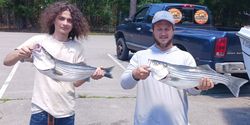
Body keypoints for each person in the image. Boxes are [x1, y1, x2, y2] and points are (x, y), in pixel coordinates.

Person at [3, 2, 104, 125]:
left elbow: (76, 83)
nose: (65, 23)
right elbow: (7, 61)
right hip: (40, 111)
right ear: (53, 20)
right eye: (61, 18)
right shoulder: (38, 41)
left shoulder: (78, 48)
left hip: (66, 111)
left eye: (69, 20)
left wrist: (91, 75)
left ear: (74, 25)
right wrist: (19, 54)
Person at [120, 11, 215, 125]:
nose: (163, 33)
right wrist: (134, 74)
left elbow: (192, 91)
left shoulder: (185, 57)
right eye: (159, 29)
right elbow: (124, 84)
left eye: (167, 29)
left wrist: (199, 86)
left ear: (173, 30)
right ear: (153, 30)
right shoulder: (140, 56)